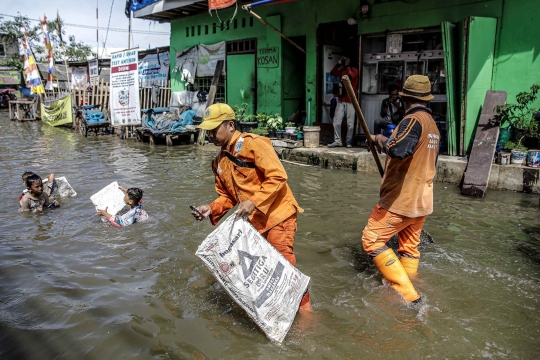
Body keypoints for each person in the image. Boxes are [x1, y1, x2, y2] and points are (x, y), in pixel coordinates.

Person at [192, 103, 312, 312]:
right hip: (254, 224)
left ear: (230, 125)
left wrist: (254, 201)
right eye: (207, 130)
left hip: (278, 216)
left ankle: (306, 313)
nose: (210, 134)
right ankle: (276, 310)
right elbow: (227, 197)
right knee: (265, 271)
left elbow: (278, 176)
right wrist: (211, 208)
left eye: (214, 129)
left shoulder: (254, 144)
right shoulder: (219, 162)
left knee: (285, 268)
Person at [361, 75, 440, 304]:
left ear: (405, 98)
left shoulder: (413, 120)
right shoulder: (433, 126)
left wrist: (377, 138)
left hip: (402, 200)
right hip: (422, 201)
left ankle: (410, 296)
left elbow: (397, 149)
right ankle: (409, 286)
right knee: (408, 248)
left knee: (372, 239)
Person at [328, 55, 359, 148]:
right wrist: (339, 63)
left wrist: (347, 66)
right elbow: (333, 72)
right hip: (341, 100)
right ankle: (338, 141)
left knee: (350, 124)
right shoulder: (342, 71)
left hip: (351, 100)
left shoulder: (354, 70)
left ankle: (348, 141)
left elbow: (349, 77)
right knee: (336, 121)